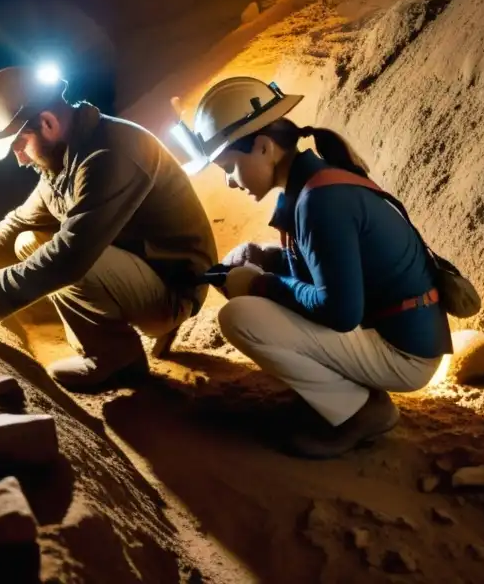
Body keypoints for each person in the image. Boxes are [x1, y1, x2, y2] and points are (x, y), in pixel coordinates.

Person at [180, 76, 451, 458]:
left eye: (228, 166)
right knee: (259, 297)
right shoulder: (313, 184)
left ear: (263, 147)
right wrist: (266, 257)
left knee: (241, 316)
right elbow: (325, 268)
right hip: (396, 332)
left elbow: (339, 312)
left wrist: (262, 285)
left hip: (405, 355)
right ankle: (340, 395)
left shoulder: (320, 201)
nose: (228, 181)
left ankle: (361, 411)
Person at [0, 66, 218, 391]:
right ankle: (113, 345)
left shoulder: (108, 154)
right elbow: (18, 223)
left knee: (67, 259)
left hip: (176, 288)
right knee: (28, 240)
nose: (20, 159)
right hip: (144, 270)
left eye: (20, 144)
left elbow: (70, 258)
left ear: (47, 123)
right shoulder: (66, 158)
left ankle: (116, 359)